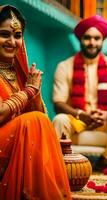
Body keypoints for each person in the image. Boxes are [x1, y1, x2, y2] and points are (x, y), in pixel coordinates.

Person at [0, 5, 71, 199]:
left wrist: (35, 92)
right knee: (35, 121)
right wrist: (28, 91)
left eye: (17, 35)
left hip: (13, 141)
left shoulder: (19, 73)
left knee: (38, 120)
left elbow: (41, 117)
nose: (12, 41)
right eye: (4, 34)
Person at [52, 15, 107, 171]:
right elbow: (58, 103)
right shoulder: (64, 66)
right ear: (81, 39)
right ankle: (59, 168)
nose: (92, 43)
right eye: (87, 38)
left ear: (102, 40)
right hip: (78, 119)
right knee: (60, 119)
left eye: (97, 38)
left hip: (106, 120)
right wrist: (80, 114)